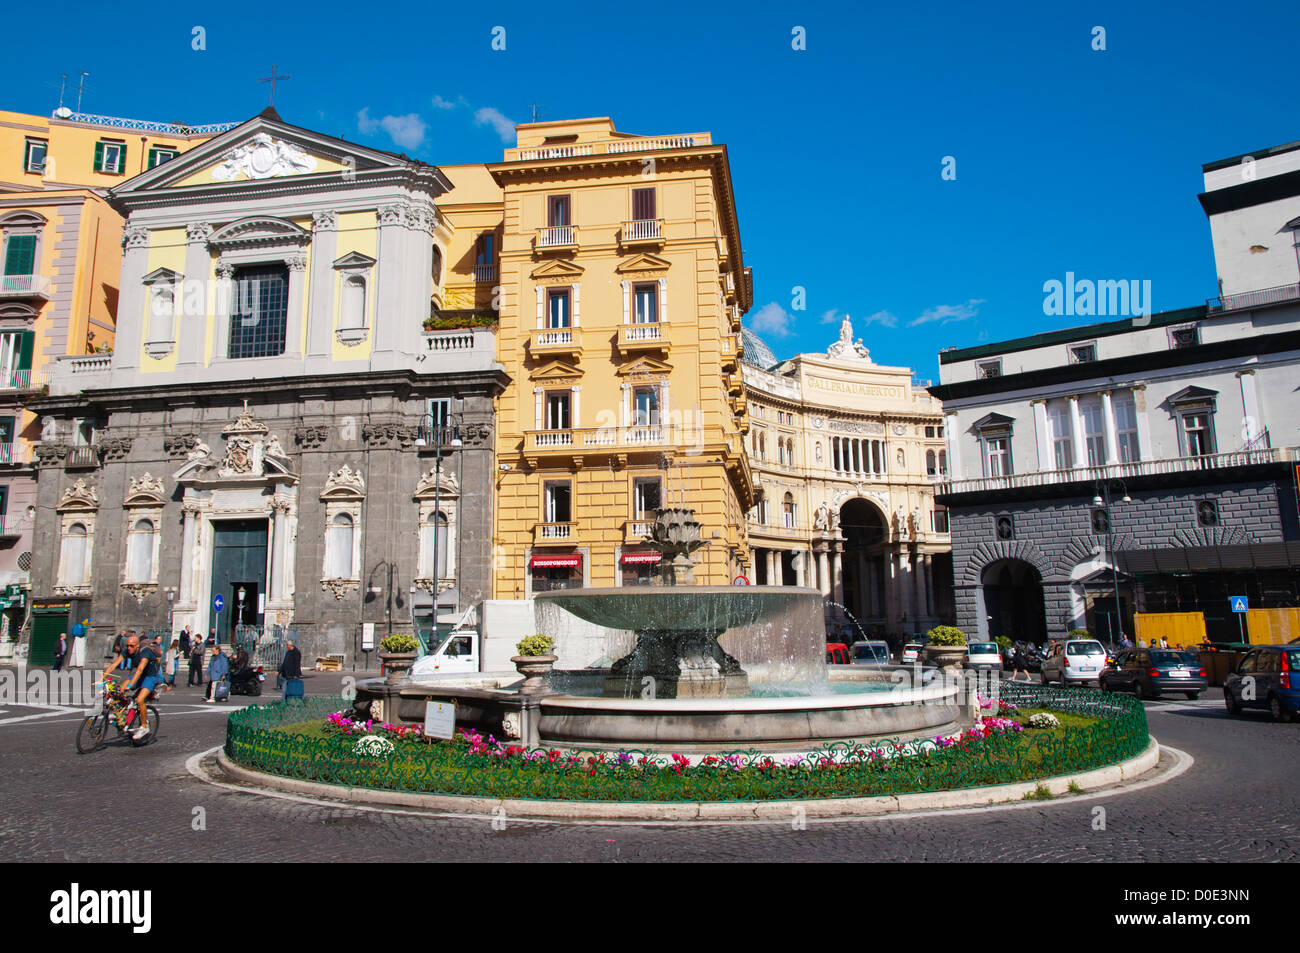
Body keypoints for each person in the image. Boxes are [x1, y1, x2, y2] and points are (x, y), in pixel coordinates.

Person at [101, 634, 161, 740]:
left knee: (139, 700)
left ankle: (144, 726)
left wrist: (129, 685)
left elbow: (140, 669)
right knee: (118, 692)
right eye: (128, 645)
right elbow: (114, 665)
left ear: (137, 646)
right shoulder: (127, 651)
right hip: (139, 675)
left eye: (132, 646)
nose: (129, 648)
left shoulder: (145, 651)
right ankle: (123, 716)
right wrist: (102, 678)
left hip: (150, 676)